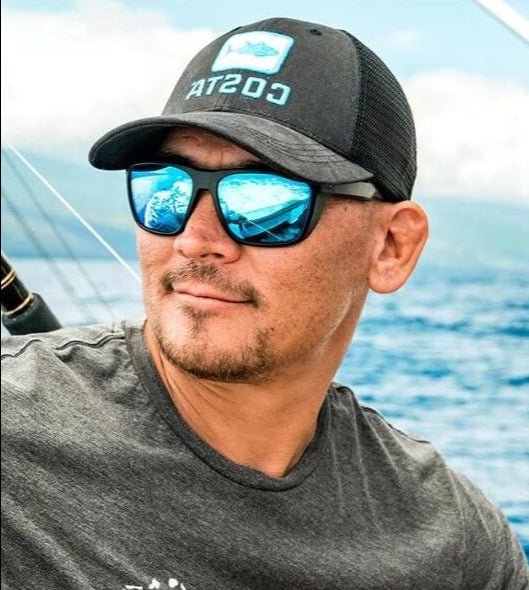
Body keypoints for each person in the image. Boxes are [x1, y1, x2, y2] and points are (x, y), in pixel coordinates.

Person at [1, 17, 527, 590]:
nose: (195, 240)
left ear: (391, 247)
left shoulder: (457, 547)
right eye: (166, 190)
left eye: (265, 201)